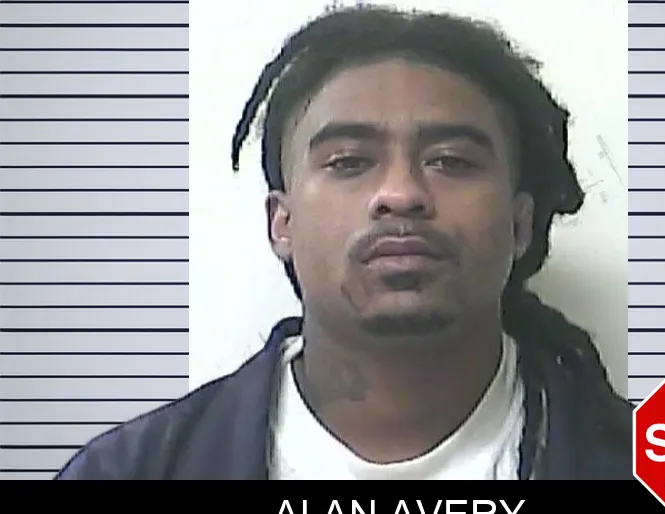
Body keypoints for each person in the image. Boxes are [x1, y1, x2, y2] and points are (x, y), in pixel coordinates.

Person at [56, 4, 632, 480]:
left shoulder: (663, 477)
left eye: (451, 161)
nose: (401, 194)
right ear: (281, 224)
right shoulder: (129, 472)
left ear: (520, 223)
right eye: (349, 161)